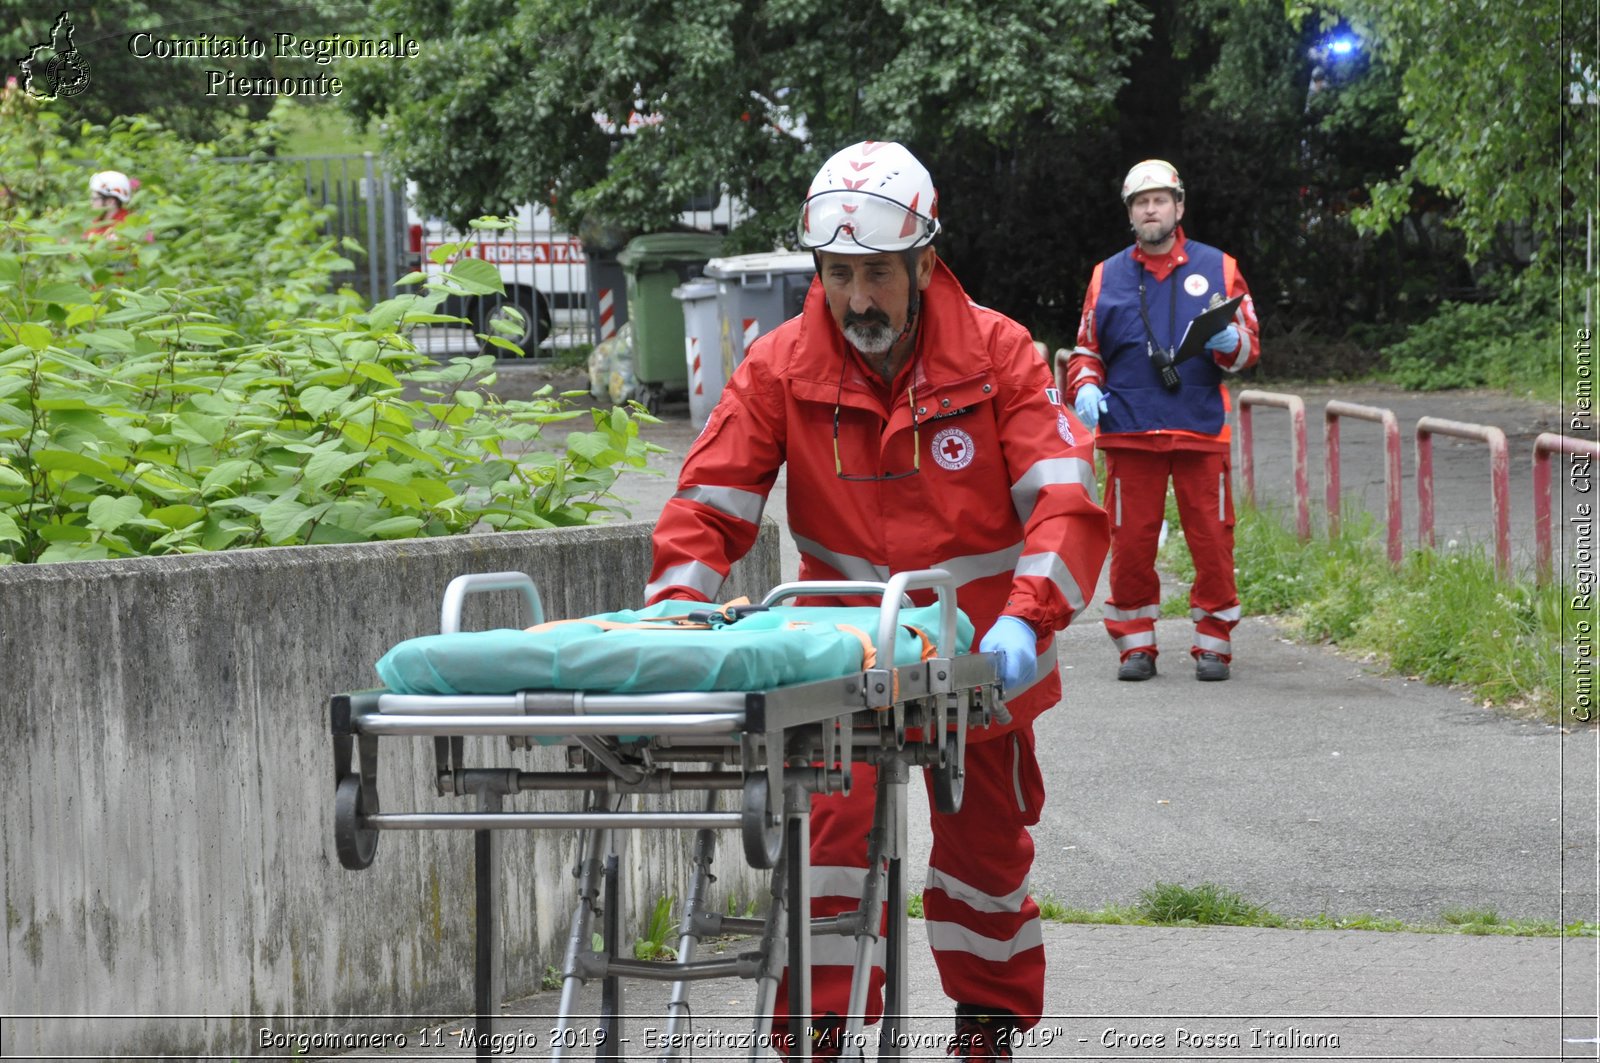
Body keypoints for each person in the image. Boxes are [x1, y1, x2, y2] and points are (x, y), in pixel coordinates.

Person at [645, 140, 1109, 1060]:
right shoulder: (780, 365)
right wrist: (671, 608)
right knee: (829, 847)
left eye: (877, 275)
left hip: (985, 657)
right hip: (846, 661)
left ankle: (988, 1030)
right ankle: (819, 1034)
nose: (858, 298)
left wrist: (1026, 618)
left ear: (925, 263)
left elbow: (1065, 499)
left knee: (986, 858)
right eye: (840, 273)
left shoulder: (999, 353)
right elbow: (710, 502)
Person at [1063, 159, 1261, 683]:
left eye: (1159, 200)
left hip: (1198, 428)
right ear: (1130, 213)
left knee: (1213, 539)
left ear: (1179, 206)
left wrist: (1230, 343)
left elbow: (1249, 349)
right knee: (1129, 542)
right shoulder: (1106, 275)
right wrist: (1083, 385)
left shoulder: (1219, 267)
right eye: (1140, 202)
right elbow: (1087, 349)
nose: (1151, 209)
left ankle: (1214, 640)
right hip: (1129, 429)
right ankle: (1135, 644)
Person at [86, 170, 134, 237]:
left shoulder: (124, 226)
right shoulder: (99, 220)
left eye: (95, 199)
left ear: (111, 201)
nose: (91, 202)